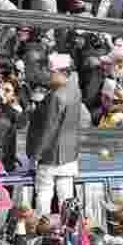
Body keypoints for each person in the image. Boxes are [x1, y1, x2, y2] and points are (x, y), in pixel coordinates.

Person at [27, 53, 82, 216]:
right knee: (66, 197)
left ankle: (41, 224)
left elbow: (48, 130)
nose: (48, 75)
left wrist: (36, 155)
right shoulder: (75, 91)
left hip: (50, 156)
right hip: (70, 155)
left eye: (51, 72)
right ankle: (69, 226)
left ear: (62, 72)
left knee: (44, 193)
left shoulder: (56, 96)